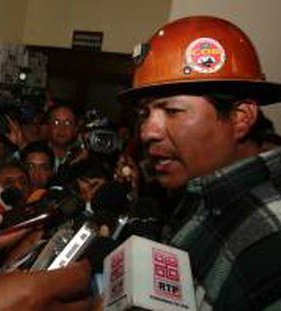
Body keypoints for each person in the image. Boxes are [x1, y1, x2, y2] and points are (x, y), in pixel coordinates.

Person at [119, 16, 281, 309]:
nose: (147, 132)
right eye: (145, 113)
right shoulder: (200, 195)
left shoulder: (270, 241)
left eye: (172, 110)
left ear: (241, 117)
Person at [45, 104, 78, 170]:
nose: (62, 129)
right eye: (56, 123)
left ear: (75, 129)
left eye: (67, 123)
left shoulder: (80, 157)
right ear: (47, 127)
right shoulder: (36, 154)